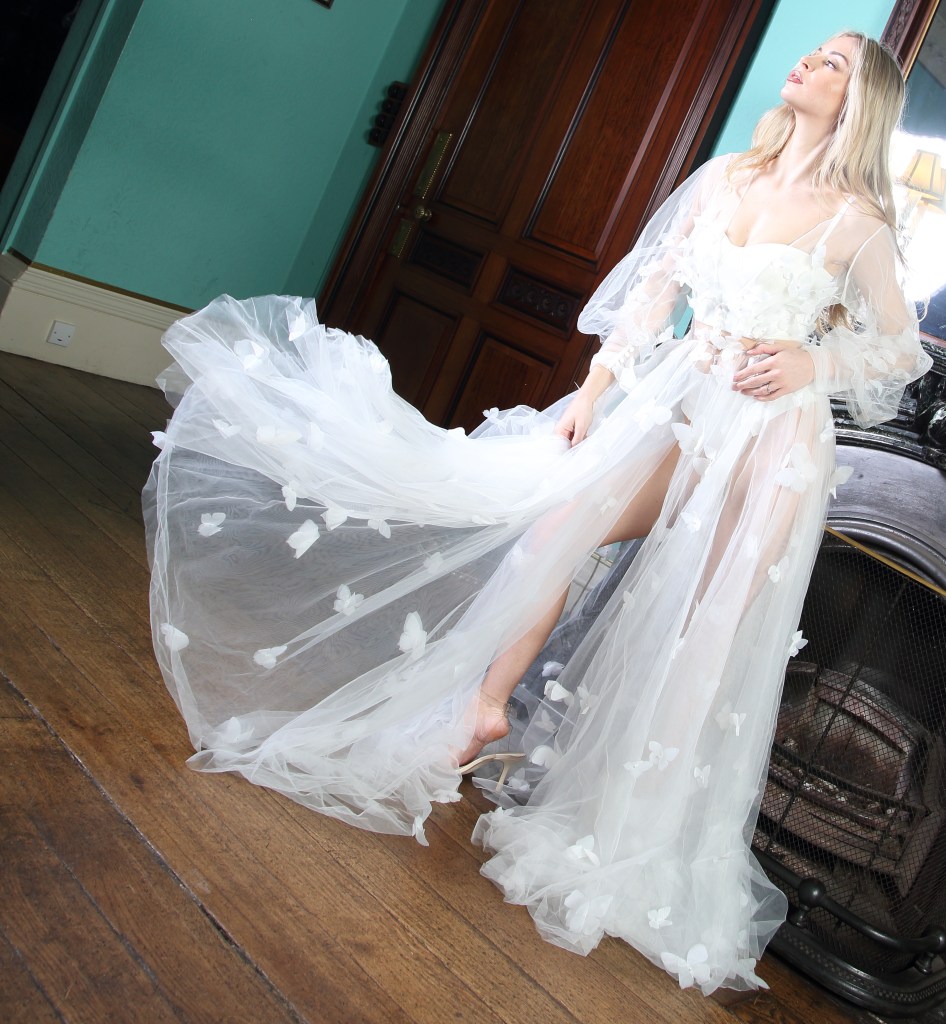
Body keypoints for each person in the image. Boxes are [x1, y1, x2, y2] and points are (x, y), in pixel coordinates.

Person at [144, 31, 932, 995]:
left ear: (861, 101)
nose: (809, 62)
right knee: (559, 527)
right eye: (813, 51)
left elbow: (900, 351)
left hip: (772, 442)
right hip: (682, 403)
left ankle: (633, 835)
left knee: (708, 626)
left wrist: (815, 359)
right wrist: (595, 391)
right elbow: (654, 293)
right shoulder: (729, 177)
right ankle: (485, 706)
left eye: (835, 62)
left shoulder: (857, 223)